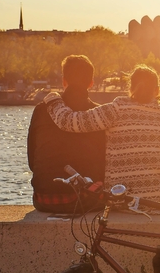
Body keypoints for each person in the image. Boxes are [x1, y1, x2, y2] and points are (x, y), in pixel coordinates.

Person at [43, 65, 160, 213]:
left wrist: (53, 99)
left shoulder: (116, 109)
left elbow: (69, 122)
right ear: (157, 91)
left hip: (125, 199)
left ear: (130, 88)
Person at [27, 55, 106, 213]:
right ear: (91, 83)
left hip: (44, 198)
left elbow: (31, 160)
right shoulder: (98, 114)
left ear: (64, 81)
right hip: (87, 198)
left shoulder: (42, 110)